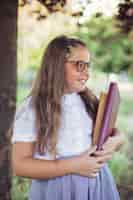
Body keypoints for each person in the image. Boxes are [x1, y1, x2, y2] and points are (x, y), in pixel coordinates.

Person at [11, 35, 125, 200]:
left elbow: (112, 131)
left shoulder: (89, 100)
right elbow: (20, 166)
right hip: (57, 190)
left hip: (97, 187)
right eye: (80, 65)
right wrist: (73, 166)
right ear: (57, 66)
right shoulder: (33, 108)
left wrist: (116, 141)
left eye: (88, 65)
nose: (87, 72)